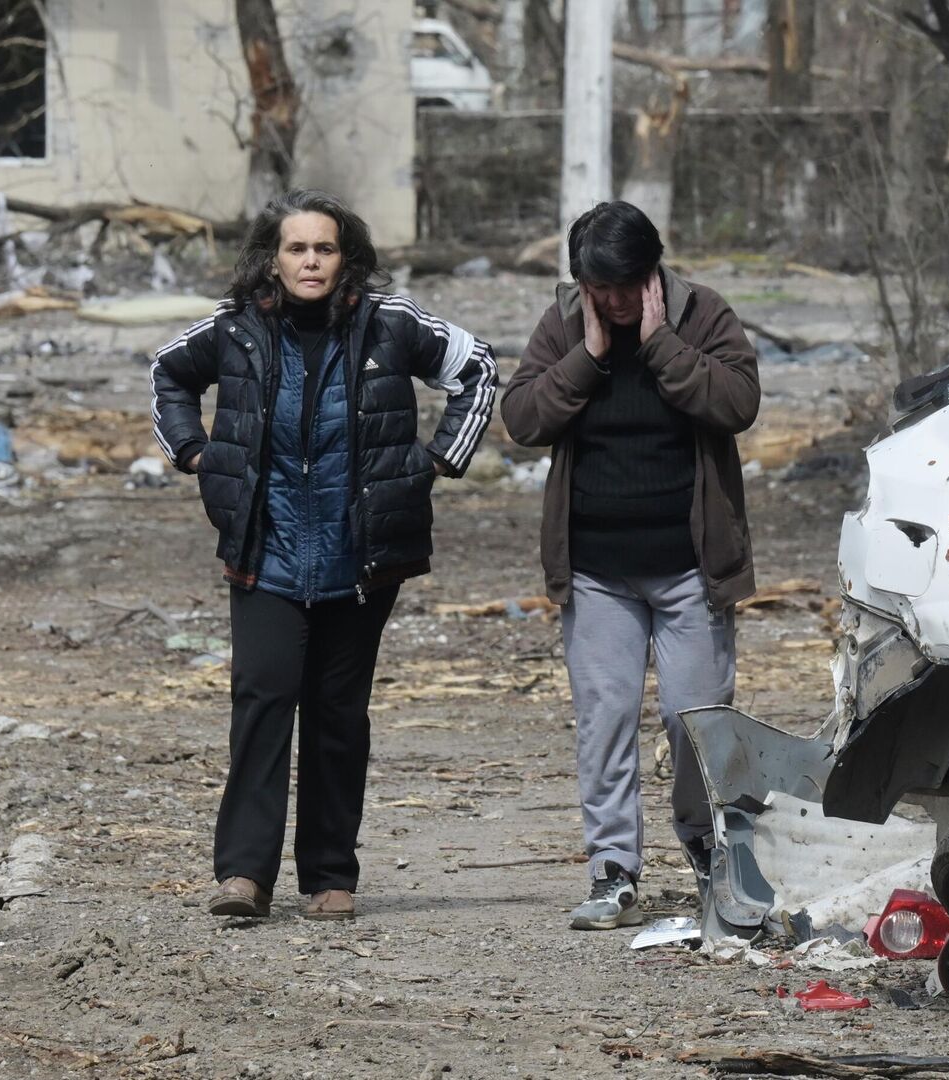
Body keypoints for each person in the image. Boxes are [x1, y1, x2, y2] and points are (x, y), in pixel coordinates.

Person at [150, 189, 497, 919]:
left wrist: (437, 461)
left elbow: (477, 368)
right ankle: (244, 876)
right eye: (297, 248)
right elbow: (168, 374)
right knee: (263, 700)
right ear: (272, 259)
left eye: (326, 248)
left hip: (361, 555)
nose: (312, 261)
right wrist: (195, 454)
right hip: (265, 548)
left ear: (347, 257)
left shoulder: (391, 322)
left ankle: (330, 877)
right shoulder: (236, 328)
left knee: (339, 714)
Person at [501, 201, 758, 930]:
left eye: (626, 285)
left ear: (652, 273)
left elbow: (738, 402)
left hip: (689, 569)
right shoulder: (562, 324)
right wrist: (585, 354)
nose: (612, 301)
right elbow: (522, 418)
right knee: (605, 720)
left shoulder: (702, 315)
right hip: (596, 568)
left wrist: (659, 344)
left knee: (695, 721)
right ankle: (612, 870)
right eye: (598, 286)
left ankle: (712, 858)